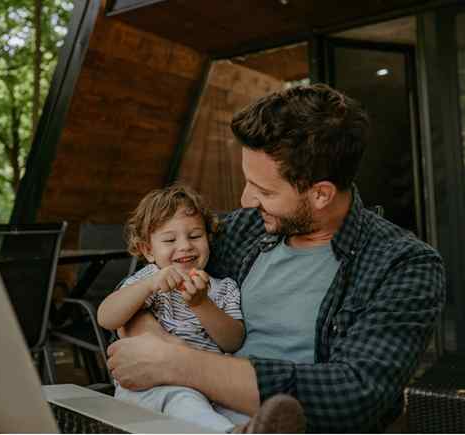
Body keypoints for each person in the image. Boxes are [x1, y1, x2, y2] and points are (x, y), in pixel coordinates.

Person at [106, 83, 446, 433]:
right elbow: (149, 283)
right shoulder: (244, 230)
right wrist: (152, 342)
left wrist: (177, 363)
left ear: (320, 194)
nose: (246, 200)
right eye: (248, 182)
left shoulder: (403, 264)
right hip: (191, 407)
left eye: (264, 190)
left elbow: (356, 395)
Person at [97, 185, 248, 432]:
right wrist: (148, 286)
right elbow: (106, 317)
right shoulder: (147, 279)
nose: (185, 246)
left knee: (238, 408)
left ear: (209, 238)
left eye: (195, 236)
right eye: (169, 239)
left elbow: (233, 341)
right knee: (184, 401)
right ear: (148, 250)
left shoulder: (224, 287)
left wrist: (202, 304)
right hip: (153, 388)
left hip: (209, 384)